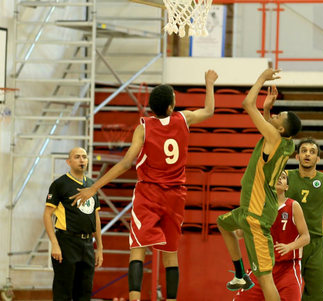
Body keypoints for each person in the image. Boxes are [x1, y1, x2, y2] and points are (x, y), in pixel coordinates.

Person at [72, 70, 219, 301]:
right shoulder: (184, 119)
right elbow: (209, 110)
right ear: (171, 108)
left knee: (138, 250)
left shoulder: (144, 128)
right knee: (171, 254)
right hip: (176, 195)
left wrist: (94, 187)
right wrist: (209, 83)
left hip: (149, 194)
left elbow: (125, 163)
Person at [216, 69, 302, 301]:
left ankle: (244, 274)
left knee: (265, 280)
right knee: (223, 223)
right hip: (249, 209)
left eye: (277, 116)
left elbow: (246, 103)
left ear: (281, 129)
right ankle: (240, 274)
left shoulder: (274, 137)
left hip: (257, 213)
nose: (273, 117)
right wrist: (267, 110)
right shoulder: (283, 140)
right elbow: (269, 126)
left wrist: (262, 78)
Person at [235, 171, 310, 301]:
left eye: (283, 178)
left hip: (287, 268)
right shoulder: (258, 207)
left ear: (287, 187)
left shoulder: (293, 206)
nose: (280, 179)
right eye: (276, 177)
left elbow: (306, 237)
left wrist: (289, 246)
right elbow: (239, 234)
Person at [286, 137, 323, 300]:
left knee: (320, 295)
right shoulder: (285, 177)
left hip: (316, 243)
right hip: (290, 242)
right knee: (285, 292)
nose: (307, 155)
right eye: (303, 151)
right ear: (296, 156)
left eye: (312, 152)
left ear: (318, 158)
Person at [43, 147, 103, 301]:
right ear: (68, 162)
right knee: (63, 292)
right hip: (66, 243)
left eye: (84, 157)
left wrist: (100, 249)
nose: (82, 160)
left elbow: (96, 218)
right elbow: (47, 215)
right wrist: (55, 244)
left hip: (88, 244)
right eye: (77, 157)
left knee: (84, 292)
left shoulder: (92, 185)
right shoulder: (60, 184)